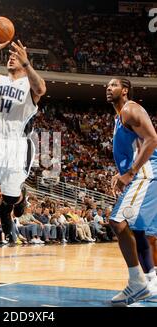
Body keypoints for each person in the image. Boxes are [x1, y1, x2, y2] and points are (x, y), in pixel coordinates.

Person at [0, 39, 46, 244]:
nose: (11, 58)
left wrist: (27, 63)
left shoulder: (29, 84)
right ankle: (3, 209)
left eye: (16, 56)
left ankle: (18, 198)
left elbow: (41, 89)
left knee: (12, 197)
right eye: (10, 56)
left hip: (18, 142)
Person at [106, 78, 157, 306]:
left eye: (114, 85)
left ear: (124, 90)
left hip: (146, 172)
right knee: (137, 230)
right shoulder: (119, 118)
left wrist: (130, 173)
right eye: (107, 85)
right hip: (140, 173)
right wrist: (121, 175)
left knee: (118, 221)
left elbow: (152, 139)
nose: (108, 87)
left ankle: (138, 284)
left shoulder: (130, 109)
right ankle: (147, 279)